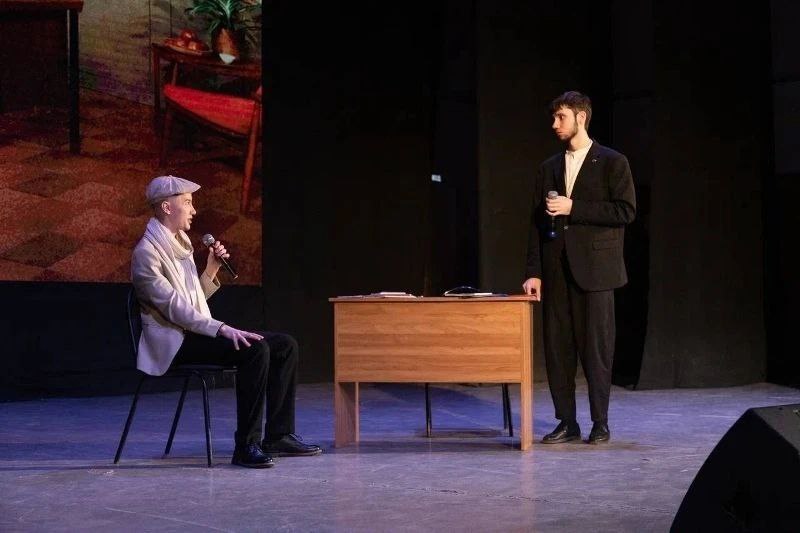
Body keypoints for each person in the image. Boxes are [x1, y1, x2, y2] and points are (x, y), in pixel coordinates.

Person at [131, 175, 321, 468]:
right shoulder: (146, 253)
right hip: (174, 344)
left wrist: (211, 270)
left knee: (284, 345)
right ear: (167, 207)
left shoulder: (180, 244)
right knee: (254, 350)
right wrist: (221, 328)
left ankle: (279, 435)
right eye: (187, 203)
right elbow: (174, 309)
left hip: (192, 333)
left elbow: (191, 302)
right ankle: (246, 445)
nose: (193, 210)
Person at [523, 91, 636, 444]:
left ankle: (600, 422)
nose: (555, 124)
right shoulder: (548, 167)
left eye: (561, 117)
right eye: (554, 118)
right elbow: (536, 224)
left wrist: (574, 207)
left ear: (581, 117)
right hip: (557, 269)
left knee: (596, 351)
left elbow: (625, 211)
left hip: (596, 271)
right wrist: (534, 271)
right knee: (558, 350)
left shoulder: (612, 162)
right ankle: (566, 422)